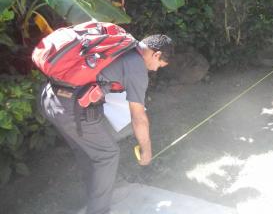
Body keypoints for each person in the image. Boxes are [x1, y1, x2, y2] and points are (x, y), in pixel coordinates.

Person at [39, 34, 173, 214]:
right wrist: (146, 149)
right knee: (107, 155)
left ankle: (95, 195)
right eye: (159, 66)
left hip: (49, 97)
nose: (156, 70)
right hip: (71, 108)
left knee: (86, 150)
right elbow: (138, 117)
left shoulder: (122, 44)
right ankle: (98, 210)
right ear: (156, 55)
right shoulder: (136, 67)